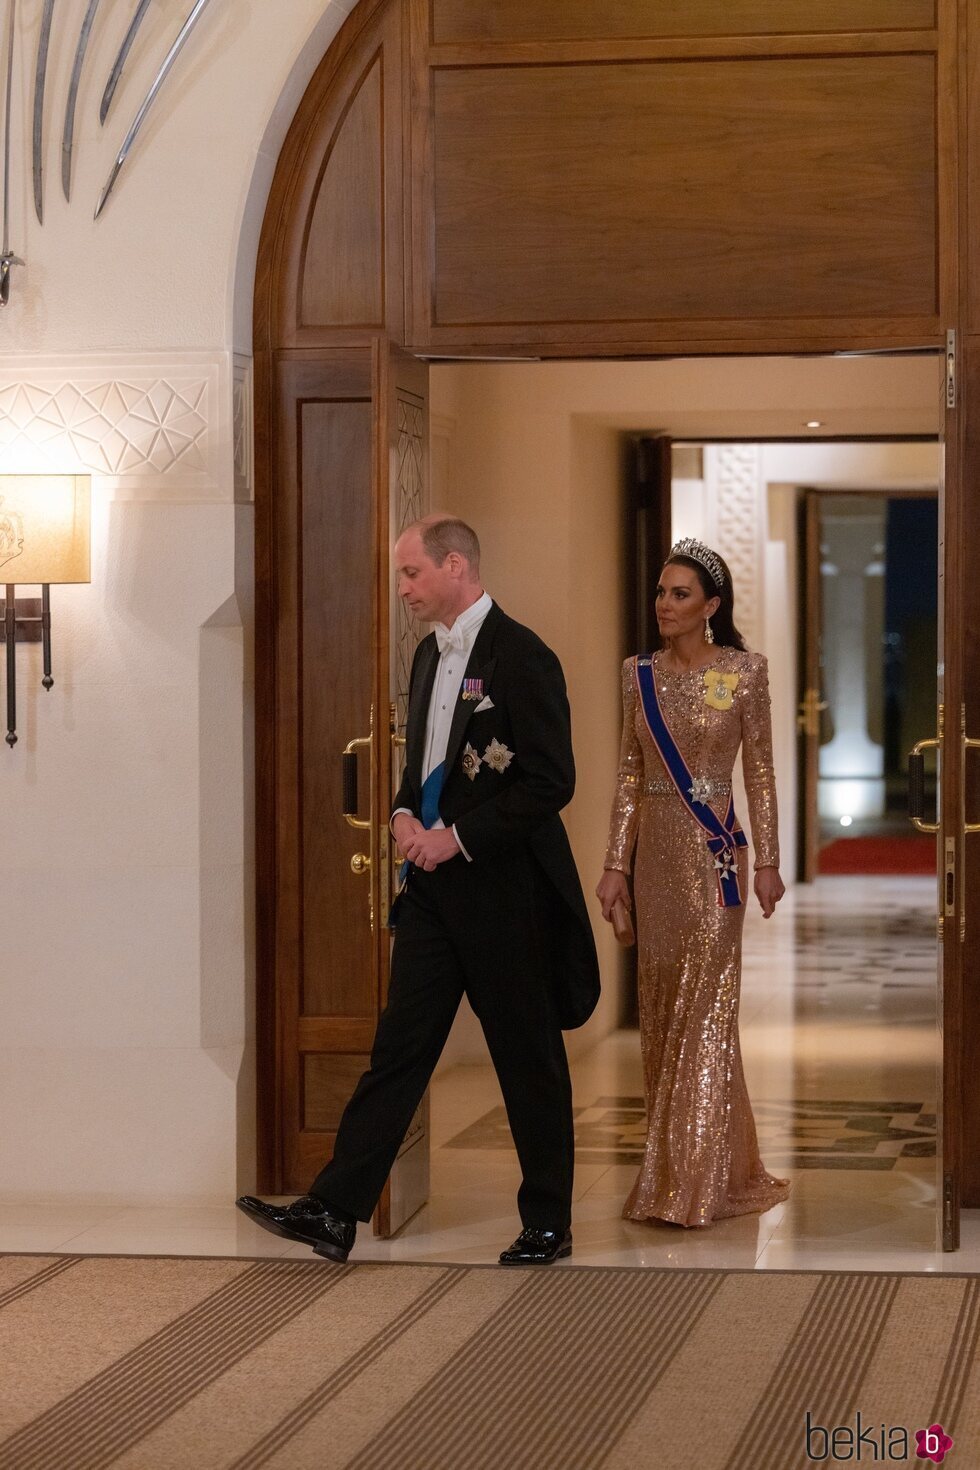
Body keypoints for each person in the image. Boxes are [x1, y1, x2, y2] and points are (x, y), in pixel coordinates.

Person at [239, 515, 599, 1264]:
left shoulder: (523, 656)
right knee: (399, 1049)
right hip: (434, 895)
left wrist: (458, 837)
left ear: (455, 566)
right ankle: (336, 1209)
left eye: (411, 573)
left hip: (506, 894)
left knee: (524, 1056)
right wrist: (404, 812)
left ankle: (548, 1224)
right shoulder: (428, 656)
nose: (401, 588)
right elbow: (421, 761)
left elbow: (550, 782)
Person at [596, 537, 789, 1228]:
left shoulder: (743, 671)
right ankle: (708, 1165)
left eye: (680, 594)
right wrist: (616, 863)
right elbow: (625, 774)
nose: (665, 605)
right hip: (655, 866)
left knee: (705, 1018)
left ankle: (688, 1189)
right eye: (660, 592)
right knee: (663, 1015)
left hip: (716, 862)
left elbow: (760, 773)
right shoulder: (636, 674)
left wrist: (767, 859)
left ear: (711, 606)